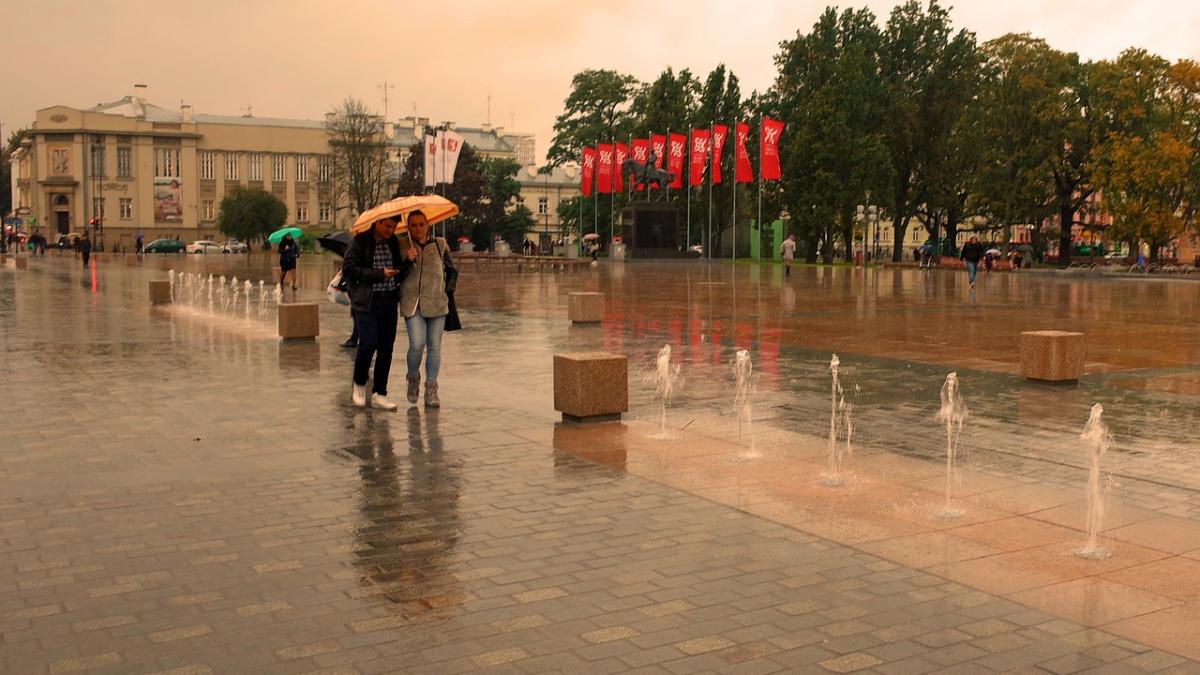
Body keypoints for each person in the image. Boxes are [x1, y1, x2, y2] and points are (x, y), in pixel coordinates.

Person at [342, 215, 405, 410]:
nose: (390, 230)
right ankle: (359, 384)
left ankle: (380, 393)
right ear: (377, 222)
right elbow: (349, 269)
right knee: (368, 344)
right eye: (387, 226)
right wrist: (379, 274)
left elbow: (399, 270)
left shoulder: (393, 242)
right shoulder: (360, 241)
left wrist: (407, 261)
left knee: (386, 348)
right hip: (366, 301)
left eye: (393, 227)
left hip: (389, 299)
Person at [399, 210, 457, 409]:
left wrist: (447, 290)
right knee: (417, 344)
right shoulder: (402, 245)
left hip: (437, 302)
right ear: (408, 227)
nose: (417, 229)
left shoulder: (440, 244)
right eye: (413, 225)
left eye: (421, 224)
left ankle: (431, 388)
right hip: (412, 302)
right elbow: (397, 275)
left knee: (434, 347)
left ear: (427, 225)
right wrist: (407, 260)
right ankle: (412, 377)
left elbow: (452, 270)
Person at [278, 234, 299, 301]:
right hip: (284, 260)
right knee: (283, 273)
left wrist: (297, 254)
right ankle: (281, 282)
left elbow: (297, 250)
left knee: (293, 272)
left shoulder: (293, 243)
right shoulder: (282, 243)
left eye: (290, 236)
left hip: (292, 260)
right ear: (285, 236)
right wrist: (285, 249)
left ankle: (294, 285)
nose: (289, 237)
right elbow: (279, 251)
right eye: (288, 236)